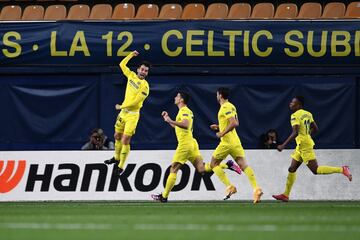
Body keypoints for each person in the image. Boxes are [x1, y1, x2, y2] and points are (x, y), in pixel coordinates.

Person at [151, 91, 241, 203]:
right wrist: (168, 119)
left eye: (177, 96)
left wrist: (170, 120)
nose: (175, 97)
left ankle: (164, 197)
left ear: (181, 100)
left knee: (173, 169)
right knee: (201, 169)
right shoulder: (184, 111)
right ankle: (227, 165)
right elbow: (179, 127)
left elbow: (185, 124)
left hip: (185, 144)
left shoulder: (184, 111)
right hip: (191, 144)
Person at [273, 96, 352, 202]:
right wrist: (306, 134)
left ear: (299, 105)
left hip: (304, 145)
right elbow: (315, 128)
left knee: (315, 170)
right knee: (292, 169)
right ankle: (286, 195)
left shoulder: (294, 115)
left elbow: (295, 132)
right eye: (291, 102)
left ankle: (342, 169)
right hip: (302, 144)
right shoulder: (308, 113)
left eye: (293, 102)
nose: (290, 104)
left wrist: (283, 145)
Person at [209, 87, 263, 203]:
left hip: (227, 142)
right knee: (244, 166)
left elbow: (234, 123)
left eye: (217, 94)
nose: (216, 96)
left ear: (220, 95)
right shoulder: (231, 106)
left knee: (213, 164)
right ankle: (256, 189)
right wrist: (219, 127)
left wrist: (221, 133)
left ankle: (230, 187)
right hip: (235, 141)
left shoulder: (225, 107)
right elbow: (234, 122)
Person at [104, 50, 150, 176]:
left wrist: (121, 106)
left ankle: (120, 166)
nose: (143, 72)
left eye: (146, 70)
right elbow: (122, 65)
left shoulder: (145, 86)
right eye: (142, 69)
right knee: (117, 136)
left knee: (125, 140)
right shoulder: (131, 76)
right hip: (123, 113)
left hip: (132, 115)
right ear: (138, 70)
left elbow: (135, 102)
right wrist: (131, 55)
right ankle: (116, 158)